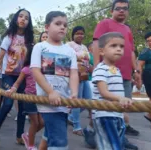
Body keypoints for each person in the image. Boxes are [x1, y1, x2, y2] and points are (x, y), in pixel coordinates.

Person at [85, 0, 139, 149]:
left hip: (124, 73)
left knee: (122, 108)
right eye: (118, 8)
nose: (121, 11)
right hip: (107, 72)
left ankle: (118, 137)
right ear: (112, 11)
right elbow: (97, 44)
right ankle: (93, 132)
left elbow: (131, 50)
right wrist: (97, 66)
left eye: (125, 8)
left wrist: (136, 70)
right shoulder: (105, 23)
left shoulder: (127, 29)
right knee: (103, 106)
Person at [0, 9, 34, 150]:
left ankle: (19, 136)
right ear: (15, 19)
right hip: (8, 75)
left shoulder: (30, 40)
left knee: (22, 108)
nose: (23, 19)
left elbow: (32, 60)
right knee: (7, 104)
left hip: (23, 76)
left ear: (28, 22)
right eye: (20, 16)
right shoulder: (9, 37)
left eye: (26, 17)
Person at [31, 11, 79, 150]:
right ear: (47, 27)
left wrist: (74, 93)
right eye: (58, 24)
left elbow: (74, 73)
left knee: (51, 132)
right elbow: (36, 71)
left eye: (65, 25)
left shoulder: (69, 50)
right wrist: (51, 92)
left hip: (64, 101)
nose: (62, 27)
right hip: (48, 101)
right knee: (59, 142)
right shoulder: (40, 47)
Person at [92, 32, 134, 150]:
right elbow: (103, 92)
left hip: (116, 114)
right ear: (101, 51)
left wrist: (122, 111)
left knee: (116, 145)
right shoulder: (100, 69)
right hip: (104, 114)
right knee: (109, 146)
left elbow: (117, 92)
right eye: (113, 46)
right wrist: (121, 99)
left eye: (121, 46)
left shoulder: (115, 69)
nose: (119, 49)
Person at [6, 44, 44, 150]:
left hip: (40, 99)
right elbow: (17, 83)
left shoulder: (43, 69)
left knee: (42, 122)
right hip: (29, 98)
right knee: (35, 122)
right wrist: (12, 89)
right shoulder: (26, 69)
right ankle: (31, 145)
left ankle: (27, 135)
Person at [67, 26, 92, 136]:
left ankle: (70, 117)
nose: (80, 35)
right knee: (77, 101)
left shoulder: (85, 47)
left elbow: (87, 61)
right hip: (75, 75)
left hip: (85, 75)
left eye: (82, 33)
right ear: (73, 35)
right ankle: (76, 126)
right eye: (77, 33)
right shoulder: (68, 45)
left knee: (89, 101)